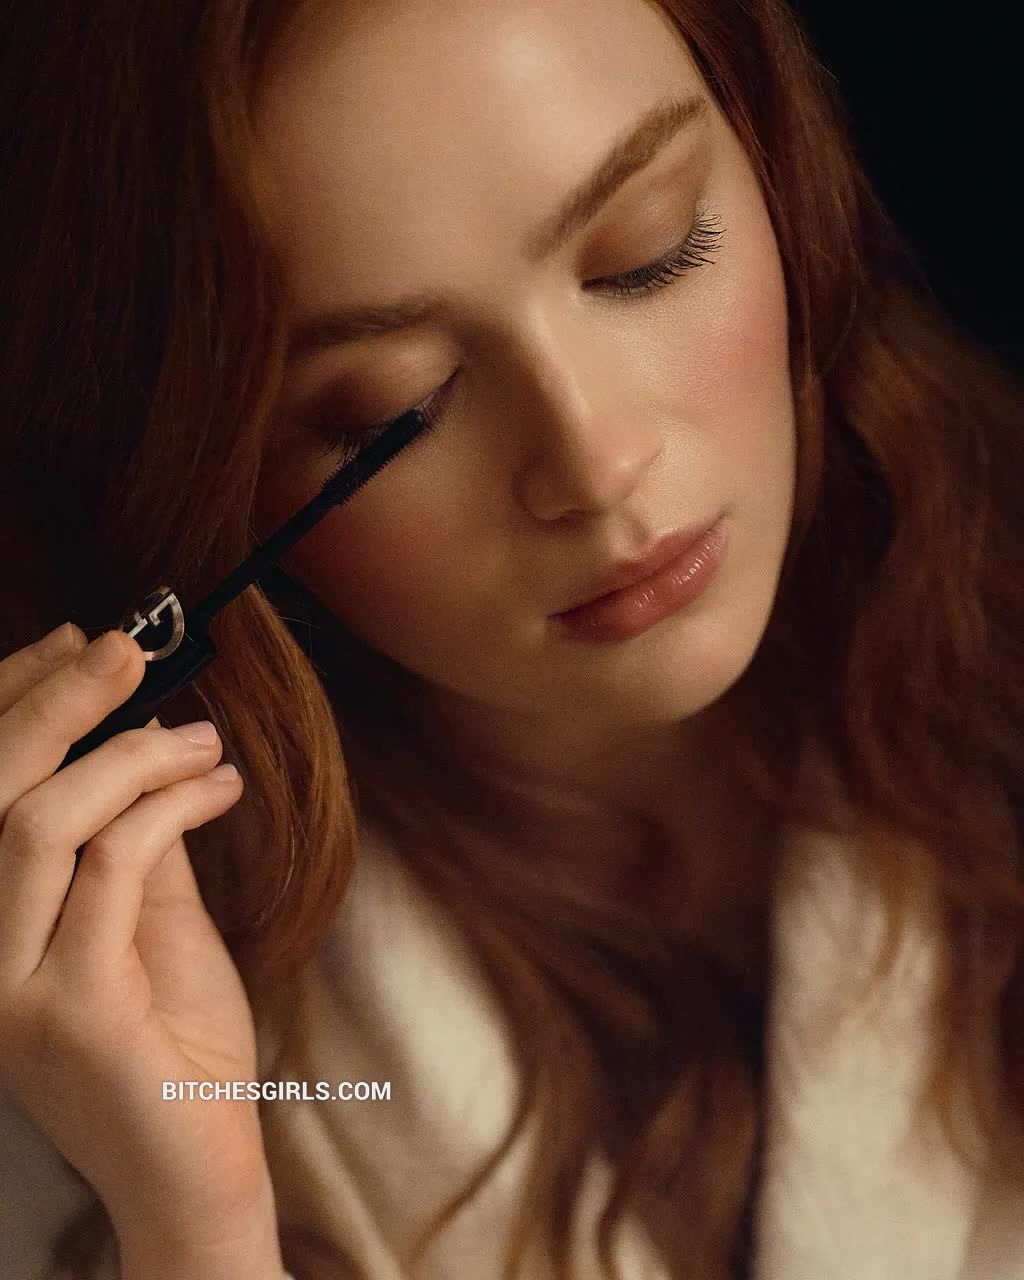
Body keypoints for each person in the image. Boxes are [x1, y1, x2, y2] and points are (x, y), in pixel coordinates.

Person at [0, 1, 1021, 1278]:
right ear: (211, 484)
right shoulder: (82, 1020)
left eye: (646, 256)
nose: (595, 464)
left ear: (774, 157)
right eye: (394, 411)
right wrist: (193, 1222)